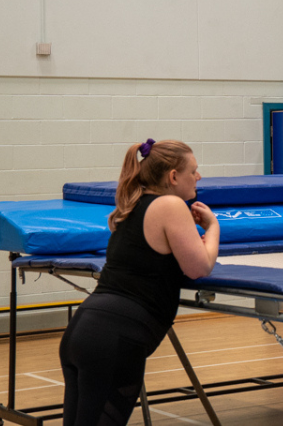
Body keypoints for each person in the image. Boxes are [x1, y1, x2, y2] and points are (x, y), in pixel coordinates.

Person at [59, 139, 220, 425]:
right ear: (173, 176)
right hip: (114, 340)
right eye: (193, 171)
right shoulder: (170, 204)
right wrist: (213, 227)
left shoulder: (133, 205)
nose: (199, 176)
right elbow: (199, 267)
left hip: (84, 331)